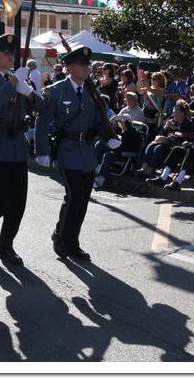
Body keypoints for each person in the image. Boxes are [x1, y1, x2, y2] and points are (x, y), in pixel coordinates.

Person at [34, 46, 120, 261]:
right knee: (73, 196)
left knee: (83, 198)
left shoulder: (93, 93)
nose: (86, 68)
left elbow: (98, 122)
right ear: (70, 67)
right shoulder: (56, 91)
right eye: (82, 65)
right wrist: (41, 151)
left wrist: (109, 137)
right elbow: (42, 122)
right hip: (67, 150)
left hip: (88, 153)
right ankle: (61, 236)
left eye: (87, 65)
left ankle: (73, 242)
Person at [0, 34, 46, 267]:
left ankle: (7, 246)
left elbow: (43, 107)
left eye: (12, 53)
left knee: (19, 201)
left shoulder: (19, 80)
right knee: (3, 195)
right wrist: (12, 84)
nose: (9, 56)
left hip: (17, 144)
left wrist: (28, 92)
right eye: (5, 53)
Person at [146, 103, 194, 190]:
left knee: (191, 151)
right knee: (177, 149)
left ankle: (178, 182)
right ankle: (163, 178)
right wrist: (189, 143)